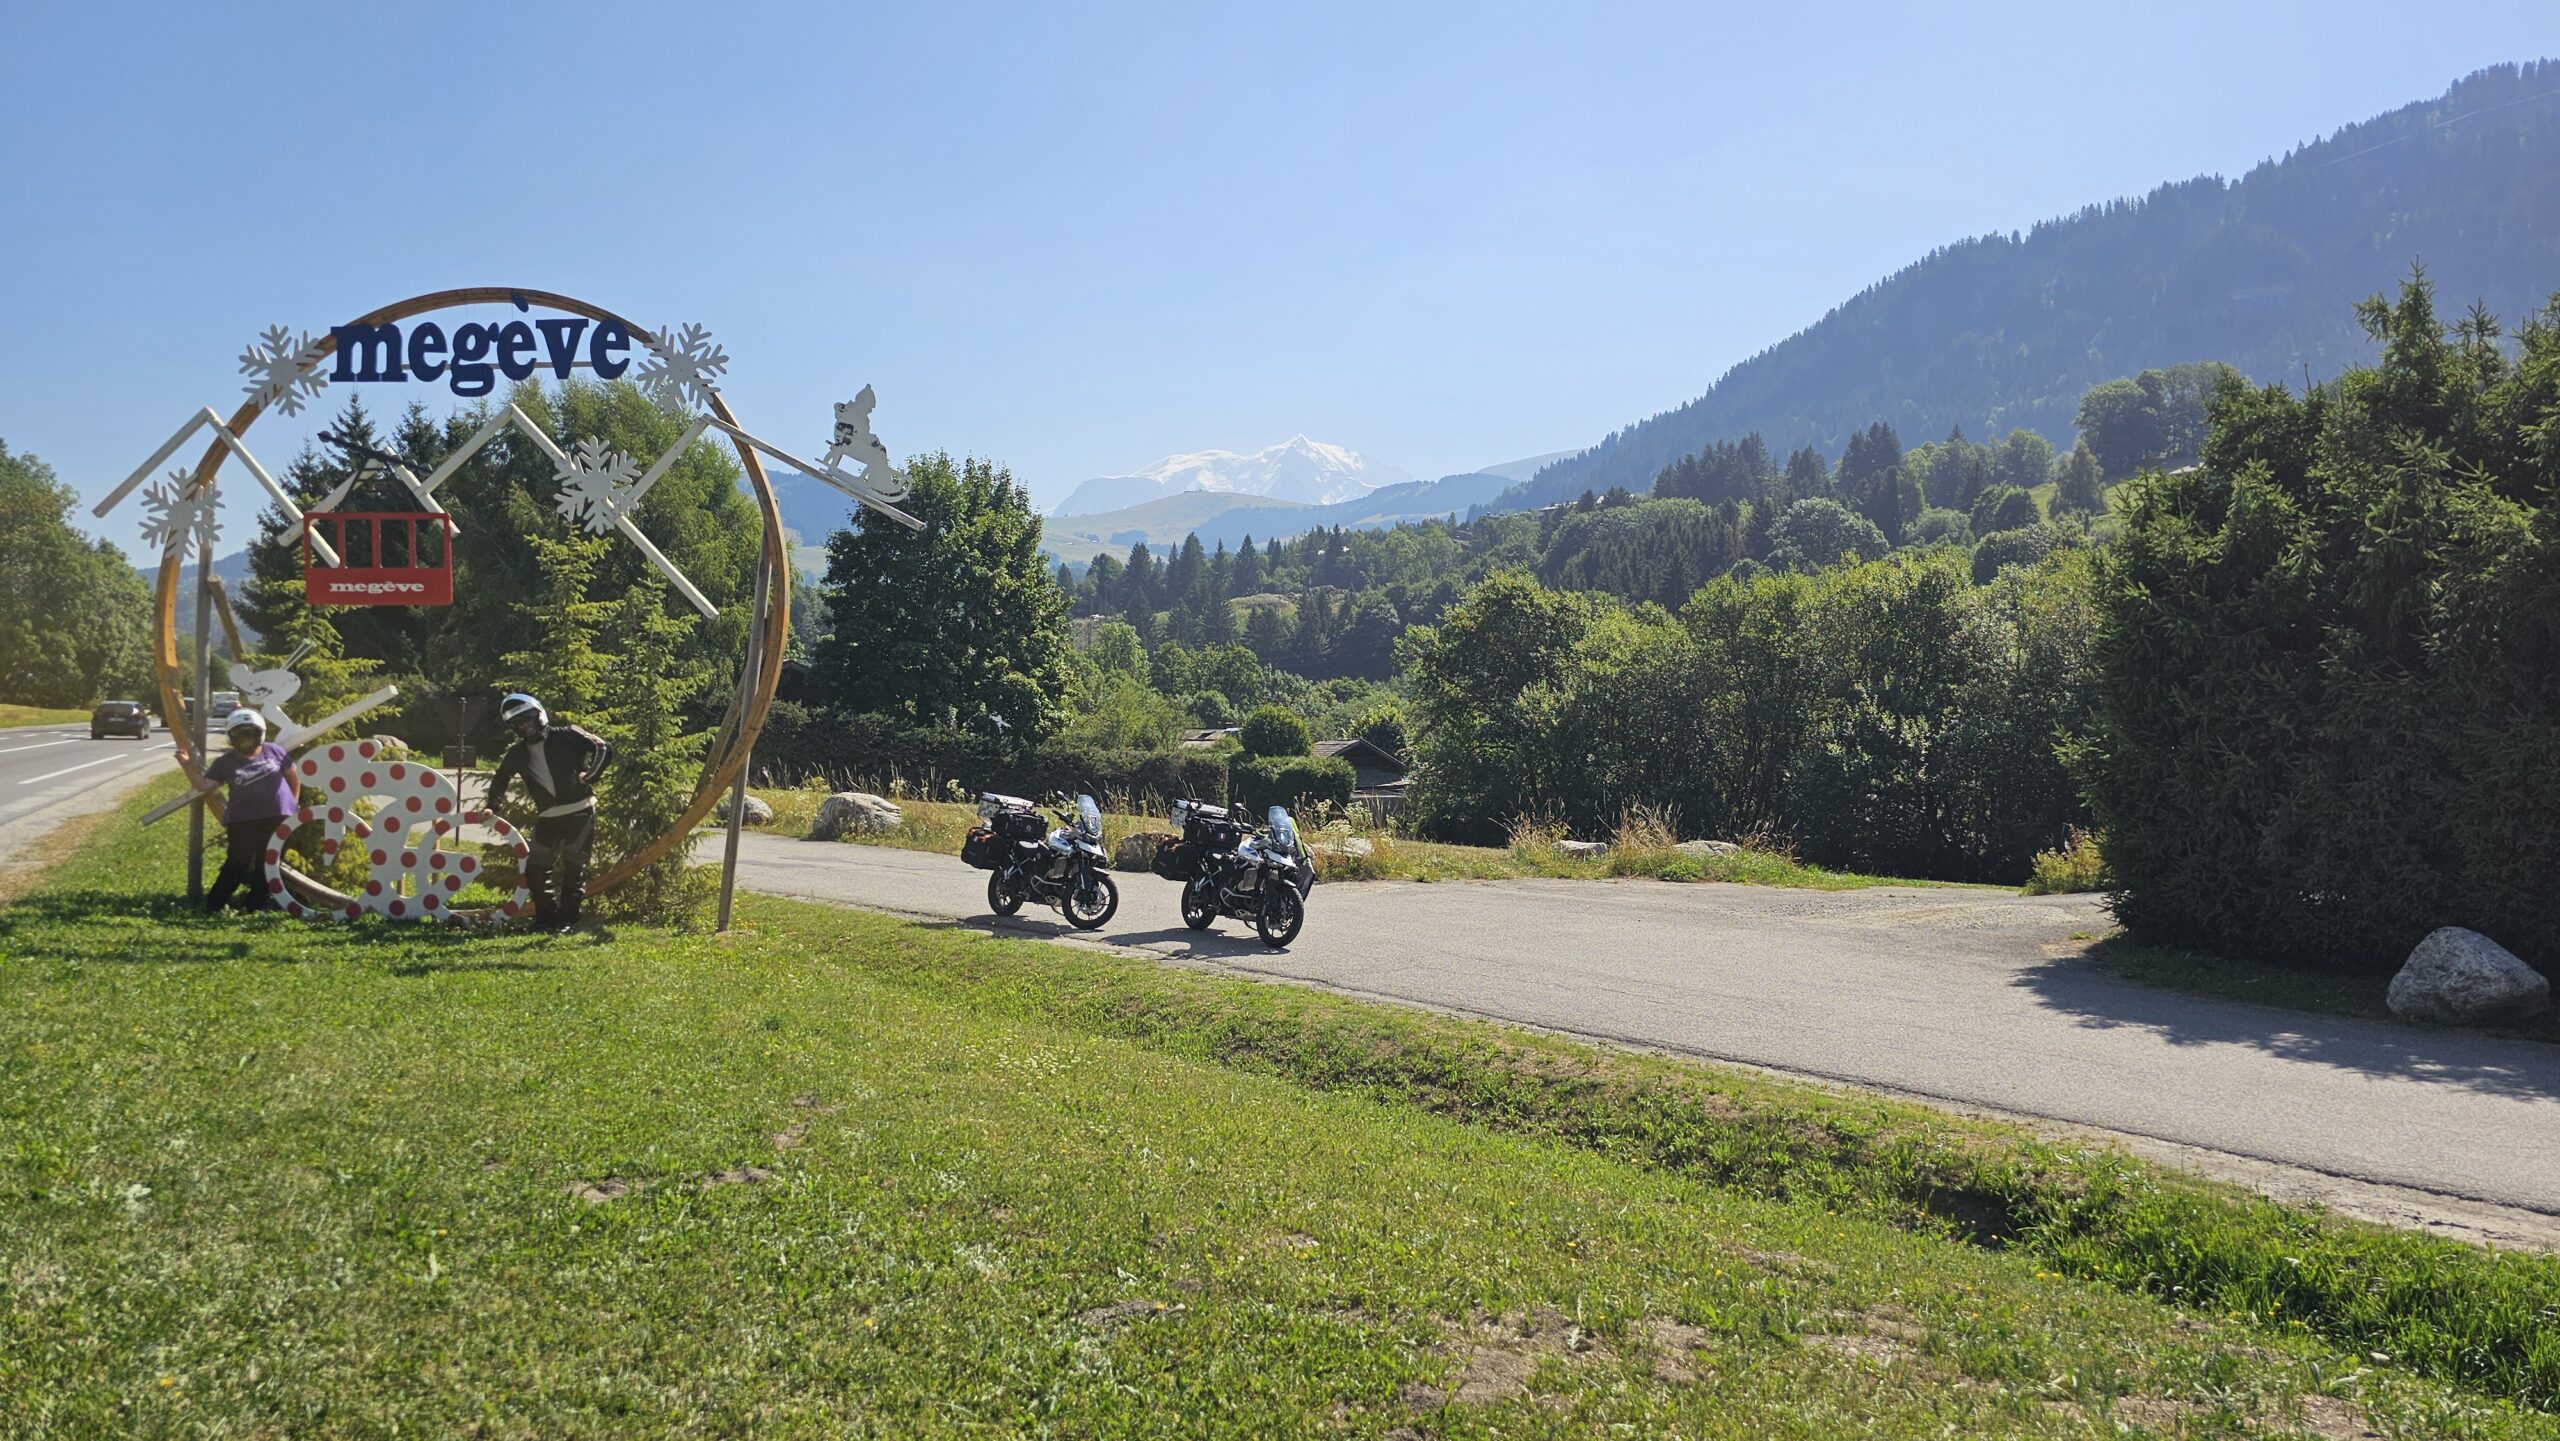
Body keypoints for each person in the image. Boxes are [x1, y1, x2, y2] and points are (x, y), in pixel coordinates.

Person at [486, 692, 613, 933]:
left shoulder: (569, 734)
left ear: (538, 714)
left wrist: (592, 776)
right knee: (535, 869)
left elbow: (603, 747)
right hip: (547, 816)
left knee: (574, 869)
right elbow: (501, 777)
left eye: (527, 719)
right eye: (518, 724)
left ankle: (567, 921)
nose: (525, 726)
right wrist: (493, 805)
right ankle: (545, 919)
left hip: (580, 810)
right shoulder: (517, 752)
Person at [190, 708, 298, 914]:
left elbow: (293, 776)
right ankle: (214, 904)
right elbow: (203, 785)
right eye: (240, 735)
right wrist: (185, 763)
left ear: (260, 734)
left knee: (268, 863)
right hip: (243, 820)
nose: (246, 740)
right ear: (231, 737)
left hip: (278, 817)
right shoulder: (225, 762)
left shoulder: (275, 751)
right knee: (238, 862)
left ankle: (257, 906)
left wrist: (293, 803)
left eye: (251, 734)